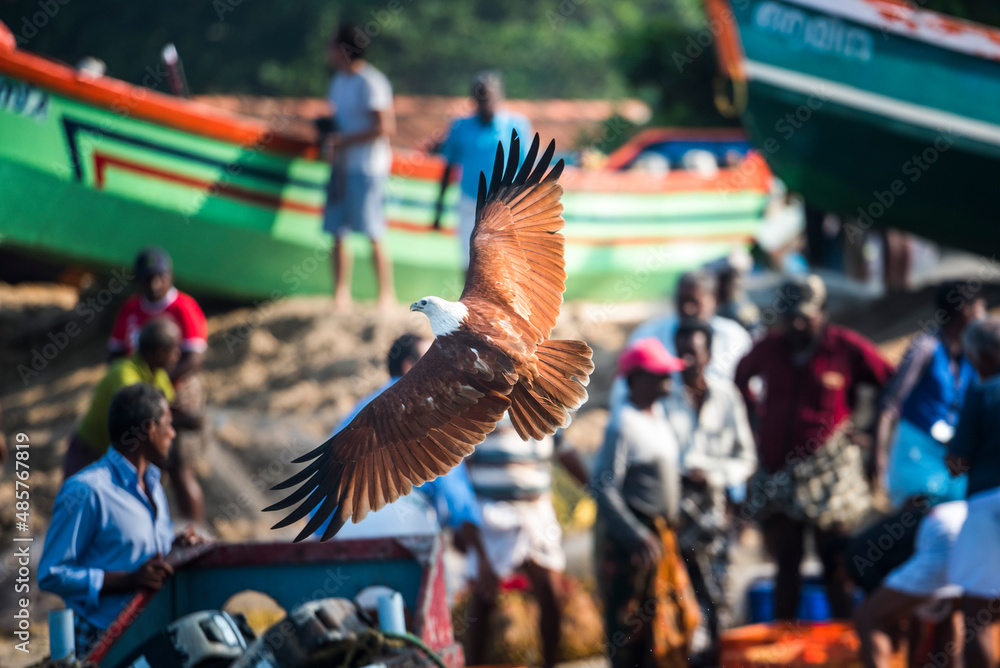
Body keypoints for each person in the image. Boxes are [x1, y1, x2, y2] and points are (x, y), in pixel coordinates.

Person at [735, 274, 894, 620]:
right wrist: (754, 422)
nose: (795, 324)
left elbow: (893, 383)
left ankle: (844, 641)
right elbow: (739, 378)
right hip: (777, 470)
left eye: (804, 316)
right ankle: (782, 642)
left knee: (834, 562)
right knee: (785, 562)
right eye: (788, 316)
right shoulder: (769, 347)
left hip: (829, 472)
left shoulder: (845, 348)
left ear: (822, 312)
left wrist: (870, 431)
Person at [40, 384, 204, 656]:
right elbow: (52, 574)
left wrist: (175, 548)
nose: (173, 434)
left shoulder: (152, 484)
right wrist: (126, 580)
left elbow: (138, 557)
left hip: (149, 630)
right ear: (149, 429)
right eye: (168, 424)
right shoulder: (86, 490)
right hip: (101, 639)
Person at [592, 338, 699, 668]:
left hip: (658, 536)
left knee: (664, 623)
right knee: (629, 626)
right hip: (635, 544)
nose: (668, 379)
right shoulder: (623, 424)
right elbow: (604, 486)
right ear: (636, 379)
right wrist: (635, 534)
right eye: (660, 373)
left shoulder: (658, 417)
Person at [463, 414, 589, 668]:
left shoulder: (541, 403)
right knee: (484, 597)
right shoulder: (478, 406)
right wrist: (463, 526)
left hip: (537, 514)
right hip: (492, 517)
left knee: (551, 593)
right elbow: (460, 474)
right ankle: (473, 663)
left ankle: (549, 663)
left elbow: (564, 450)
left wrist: (597, 489)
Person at [664, 319, 755, 664]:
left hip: (713, 510)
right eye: (682, 351)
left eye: (695, 352)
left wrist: (714, 475)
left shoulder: (726, 396)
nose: (688, 359)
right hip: (674, 510)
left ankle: (718, 656)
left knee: (719, 596)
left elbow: (745, 457)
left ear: (709, 354)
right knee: (678, 596)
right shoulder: (662, 394)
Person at [109, 247, 208, 521]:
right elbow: (115, 353)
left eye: (159, 277)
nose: (154, 284)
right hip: (141, 392)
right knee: (147, 465)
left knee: (179, 467)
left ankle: (193, 529)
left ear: (169, 276)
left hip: (178, 391)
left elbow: (194, 356)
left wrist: (158, 383)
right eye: (148, 278)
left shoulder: (183, 307)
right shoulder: (130, 309)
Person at [877, 281, 984, 508]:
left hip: (952, 457)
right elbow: (889, 403)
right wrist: (878, 456)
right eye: (980, 308)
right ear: (965, 311)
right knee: (918, 523)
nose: (982, 315)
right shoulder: (925, 347)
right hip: (917, 453)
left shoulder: (973, 351)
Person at [64, 319, 202, 478]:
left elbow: (164, 412)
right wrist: (182, 421)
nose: (177, 355)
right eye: (173, 349)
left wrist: (183, 415)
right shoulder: (124, 373)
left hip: (115, 456)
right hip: (90, 450)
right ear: (159, 352)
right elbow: (136, 421)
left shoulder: (159, 376)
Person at [325, 23, 396, 310]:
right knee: (337, 230)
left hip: (368, 167)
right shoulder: (339, 82)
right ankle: (341, 295)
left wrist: (343, 140)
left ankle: (386, 295)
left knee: (372, 229)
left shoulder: (371, 82)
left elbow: (384, 126)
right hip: (341, 166)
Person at [434, 71, 532, 266]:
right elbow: (449, 166)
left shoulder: (516, 126)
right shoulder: (459, 127)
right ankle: (469, 298)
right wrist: (439, 205)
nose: (485, 101)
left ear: (499, 96)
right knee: (469, 258)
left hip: (504, 204)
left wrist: (526, 206)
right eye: (480, 96)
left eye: (488, 95)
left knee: (502, 260)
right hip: (470, 200)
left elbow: (525, 169)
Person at [855, 500, 968, 668]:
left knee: (868, 616)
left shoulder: (857, 556)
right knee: (956, 612)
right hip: (968, 523)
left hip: (949, 528)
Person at [947, 317, 1000, 668]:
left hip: (989, 504)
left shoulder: (982, 391)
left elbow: (957, 459)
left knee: (978, 615)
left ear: (981, 356)